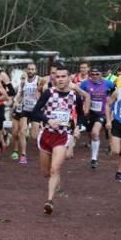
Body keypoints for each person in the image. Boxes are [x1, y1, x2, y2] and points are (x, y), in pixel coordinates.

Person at [28, 64, 88, 215]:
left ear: (69, 78)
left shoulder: (75, 96)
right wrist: (47, 120)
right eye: (58, 76)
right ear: (54, 77)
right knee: (46, 172)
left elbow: (80, 115)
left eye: (64, 76)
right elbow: (34, 113)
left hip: (63, 135)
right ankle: (55, 183)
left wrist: (77, 127)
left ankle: (49, 201)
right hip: (46, 135)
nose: (60, 79)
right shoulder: (48, 93)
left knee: (55, 169)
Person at [79, 67, 115, 169]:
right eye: (92, 74)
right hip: (90, 113)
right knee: (91, 134)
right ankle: (94, 148)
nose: (94, 76)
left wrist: (110, 104)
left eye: (97, 74)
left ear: (101, 74)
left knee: (95, 132)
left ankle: (94, 159)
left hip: (102, 113)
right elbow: (80, 96)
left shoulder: (108, 83)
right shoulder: (85, 84)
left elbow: (114, 92)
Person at [11, 62, 44, 165]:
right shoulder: (24, 82)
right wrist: (17, 102)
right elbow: (21, 94)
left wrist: (40, 98)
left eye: (32, 69)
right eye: (29, 69)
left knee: (34, 136)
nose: (30, 71)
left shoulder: (40, 80)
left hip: (35, 111)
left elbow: (45, 93)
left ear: (36, 71)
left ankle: (34, 134)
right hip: (25, 109)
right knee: (21, 131)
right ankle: (23, 155)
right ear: (26, 70)